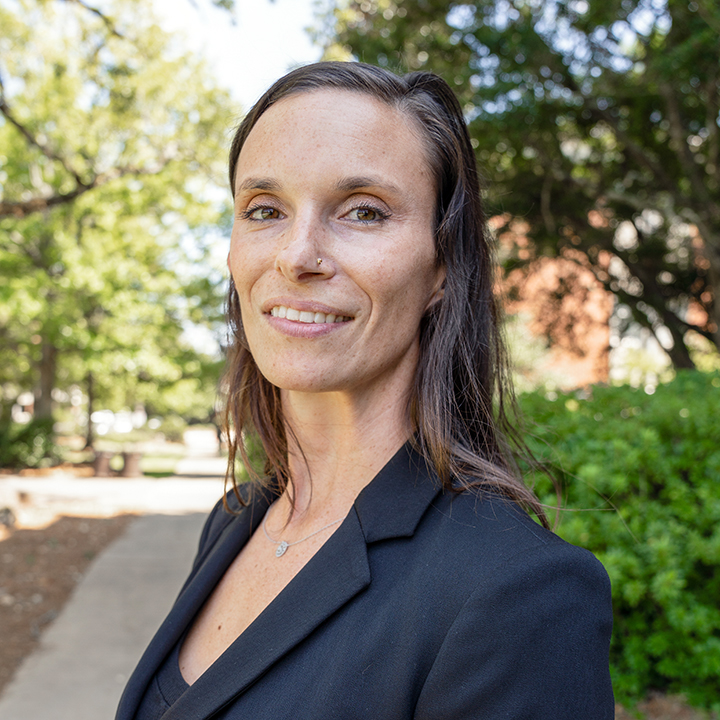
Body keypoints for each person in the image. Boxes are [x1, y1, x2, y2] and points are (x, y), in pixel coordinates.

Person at [116, 61, 614, 720]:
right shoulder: (238, 518)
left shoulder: (517, 591)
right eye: (264, 209)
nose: (297, 255)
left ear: (442, 267)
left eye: (363, 211)